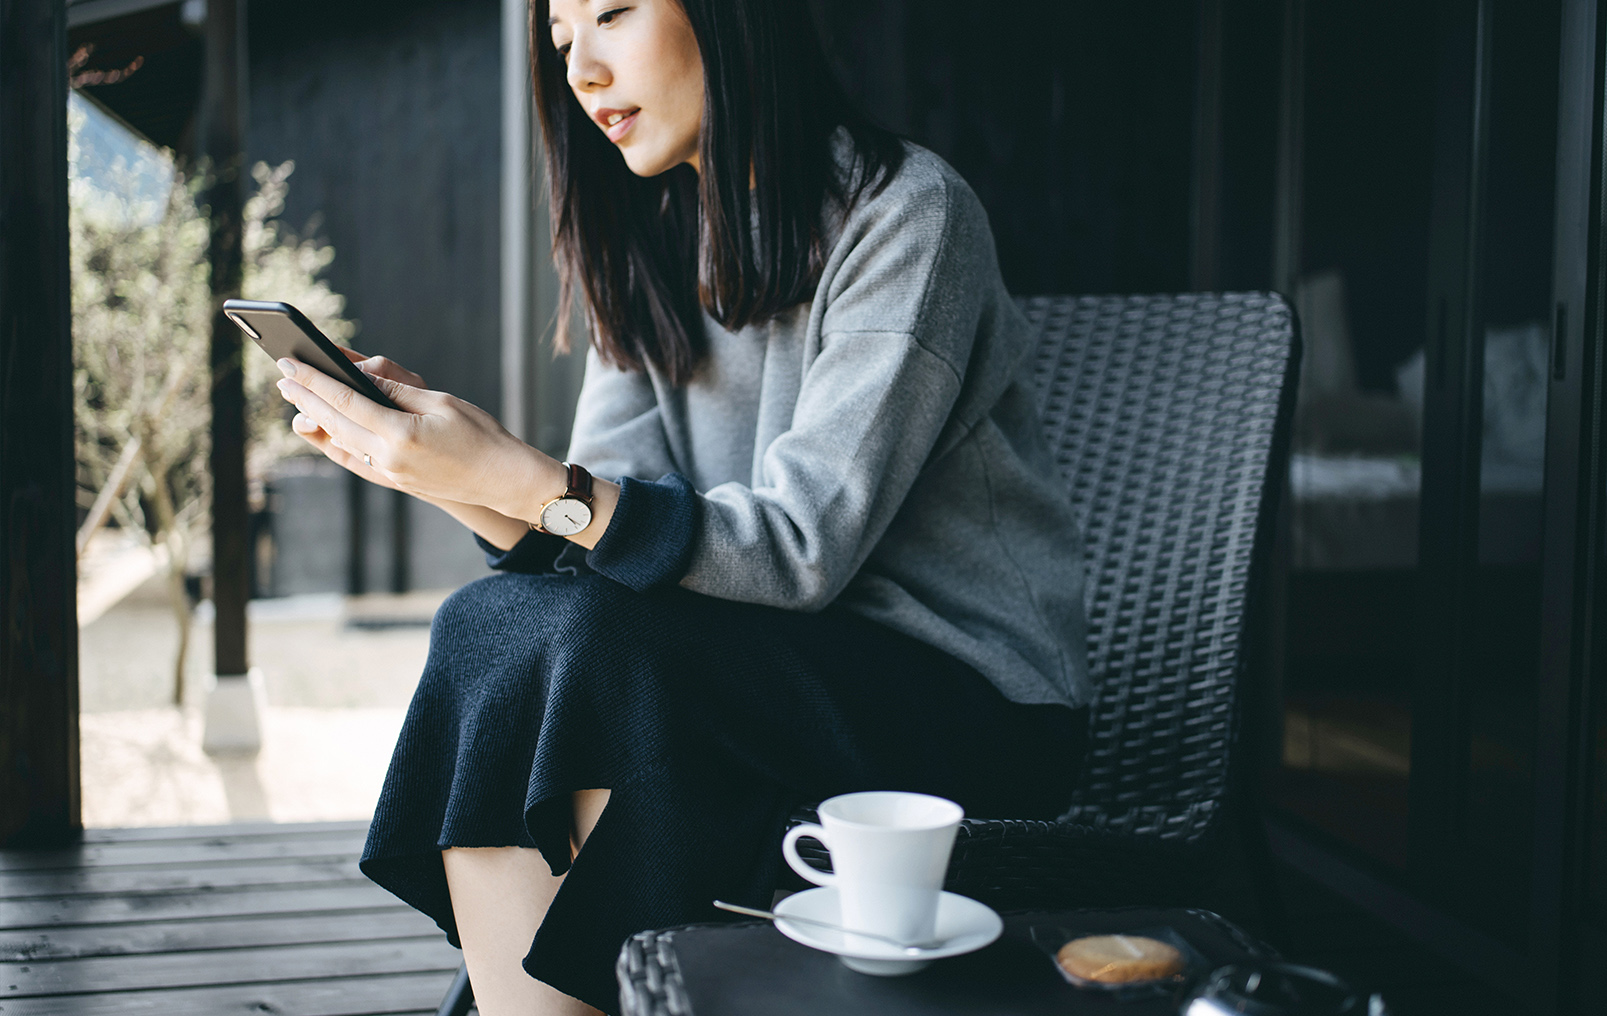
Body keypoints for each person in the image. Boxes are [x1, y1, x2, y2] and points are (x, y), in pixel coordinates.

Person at [273, 0, 1092, 1012]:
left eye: (610, 14)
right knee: (488, 624)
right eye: (562, 42)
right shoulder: (653, 239)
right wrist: (450, 475)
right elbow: (598, 542)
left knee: (606, 657)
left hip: (968, 704)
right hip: (737, 675)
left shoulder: (906, 212)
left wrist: (519, 476)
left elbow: (802, 547)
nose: (580, 71)